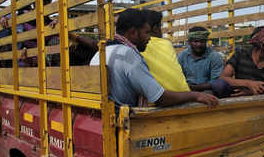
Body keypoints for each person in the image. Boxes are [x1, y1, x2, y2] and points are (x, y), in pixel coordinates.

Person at [90, 8, 219, 109]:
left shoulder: (102, 52)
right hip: (124, 122)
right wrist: (195, 95)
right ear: (134, 32)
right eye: (146, 33)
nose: (150, 38)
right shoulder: (129, 55)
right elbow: (159, 97)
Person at [212, 24, 264, 98]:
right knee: (219, 85)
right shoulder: (240, 54)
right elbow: (223, 78)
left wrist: (251, 92)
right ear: (262, 44)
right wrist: (248, 83)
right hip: (238, 96)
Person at [141, 10, 190, 92]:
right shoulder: (166, 44)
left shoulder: (138, 45)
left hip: (161, 98)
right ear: (156, 28)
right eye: (161, 26)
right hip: (185, 93)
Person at [177, 26, 224, 92]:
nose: (199, 44)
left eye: (202, 41)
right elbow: (178, 78)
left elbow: (216, 82)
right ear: (189, 42)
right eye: (196, 41)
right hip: (187, 91)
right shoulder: (182, 56)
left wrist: (194, 87)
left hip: (208, 92)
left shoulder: (215, 56)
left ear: (206, 42)